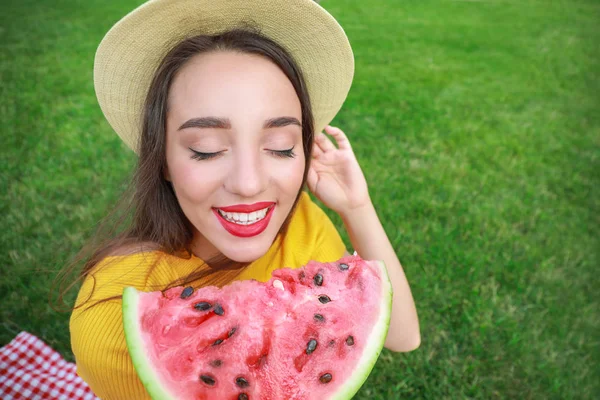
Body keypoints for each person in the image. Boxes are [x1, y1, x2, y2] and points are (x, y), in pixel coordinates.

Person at [67, 0, 420, 398]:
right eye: (207, 148)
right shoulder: (110, 317)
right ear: (162, 160)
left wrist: (356, 208)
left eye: (281, 145)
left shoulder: (303, 226)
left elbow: (403, 336)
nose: (249, 184)